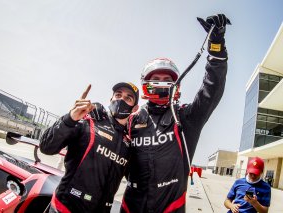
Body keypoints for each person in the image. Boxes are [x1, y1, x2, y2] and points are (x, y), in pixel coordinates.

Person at [120, 14, 230, 213]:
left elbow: (211, 90)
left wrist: (216, 47)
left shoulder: (186, 117)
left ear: (175, 85)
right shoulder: (132, 119)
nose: (162, 82)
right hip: (130, 207)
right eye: (157, 78)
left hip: (171, 208)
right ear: (146, 83)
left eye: (167, 78)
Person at [39, 82, 139, 213]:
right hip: (64, 208)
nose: (121, 99)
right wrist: (70, 118)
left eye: (128, 98)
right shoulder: (89, 120)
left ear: (135, 108)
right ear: (111, 99)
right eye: (118, 95)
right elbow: (46, 147)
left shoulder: (131, 141)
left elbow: (138, 179)